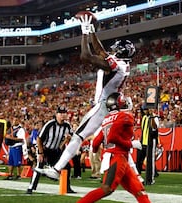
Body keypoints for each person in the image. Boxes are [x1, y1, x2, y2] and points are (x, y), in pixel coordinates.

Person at [35, 12, 136, 180]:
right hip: (110, 106)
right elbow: (100, 50)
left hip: (104, 106)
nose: (113, 50)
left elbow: (86, 56)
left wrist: (84, 32)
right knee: (116, 143)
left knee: (78, 136)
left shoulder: (117, 65)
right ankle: (136, 175)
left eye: (116, 48)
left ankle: (57, 169)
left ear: (121, 51)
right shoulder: (122, 64)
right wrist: (92, 30)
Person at [77, 92, 150, 203]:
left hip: (117, 157)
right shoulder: (125, 115)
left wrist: (97, 151)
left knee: (139, 190)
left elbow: (96, 142)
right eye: (122, 100)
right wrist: (131, 144)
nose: (125, 102)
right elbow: (112, 137)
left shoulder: (107, 119)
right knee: (107, 189)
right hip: (118, 156)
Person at [27, 106, 76, 194]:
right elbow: (39, 138)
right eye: (61, 113)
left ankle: (67, 187)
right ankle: (31, 187)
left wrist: (67, 139)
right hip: (44, 148)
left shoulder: (67, 125)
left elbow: (72, 137)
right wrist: (41, 153)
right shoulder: (50, 124)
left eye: (64, 113)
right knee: (39, 165)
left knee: (67, 166)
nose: (63, 115)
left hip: (55, 150)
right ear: (56, 114)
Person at [136, 107, 160, 185]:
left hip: (149, 142)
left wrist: (152, 117)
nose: (145, 111)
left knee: (150, 161)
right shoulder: (144, 118)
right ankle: (137, 176)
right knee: (139, 161)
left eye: (146, 110)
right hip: (143, 142)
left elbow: (155, 127)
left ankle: (151, 178)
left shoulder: (155, 117)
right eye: (144, 110)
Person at [4, 116, 28, 180]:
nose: (14, 121)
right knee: (10, 162)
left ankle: (18, 175)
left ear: (18, 121)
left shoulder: (20, 129)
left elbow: (21, 139)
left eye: (16, 120)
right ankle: (10, 175)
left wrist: (10, 138)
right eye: (13, 120)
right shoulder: (10, 129)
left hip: (17, 146)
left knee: (17, 162)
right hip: (11, 147)